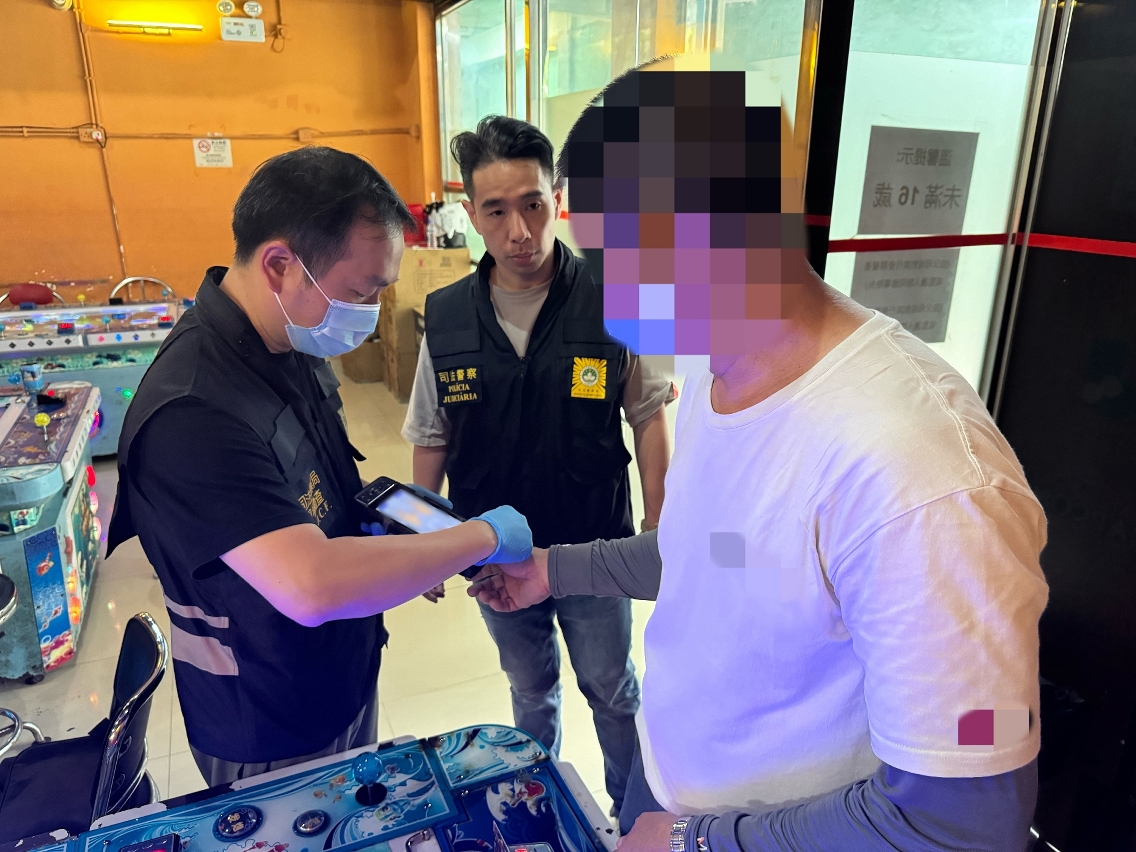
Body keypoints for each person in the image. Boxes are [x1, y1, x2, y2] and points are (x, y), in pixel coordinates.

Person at [468, 60, 1050, 852]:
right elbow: (718, 554)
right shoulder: (717, 372)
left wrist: (697, 841)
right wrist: (554, 569)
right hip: (665, 782)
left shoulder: (926, 479)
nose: (609, 293)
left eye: (627, 256)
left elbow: (961, 822)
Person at [106, 147, 533, 786]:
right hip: (270, 721)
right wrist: (484, 535)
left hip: (340, 671)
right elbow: (312, 585)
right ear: (281, 266)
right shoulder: (193, 411)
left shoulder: (286, 342)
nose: (373, 309)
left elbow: (322, 491)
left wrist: (404, 536)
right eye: (363, 291)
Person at [402, 115, 676, 817]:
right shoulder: (447, 318)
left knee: (611, 688)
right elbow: (431, 434)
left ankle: (633, 815)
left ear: (558, 198)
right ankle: (539, 807)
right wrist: (423, 541)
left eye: (532, 204)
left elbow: (649, 412)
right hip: (495, 553)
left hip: (593, 545)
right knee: (529, 689)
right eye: (496, 211)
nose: (519, 230)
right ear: (472, 216)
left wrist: (658, 521)